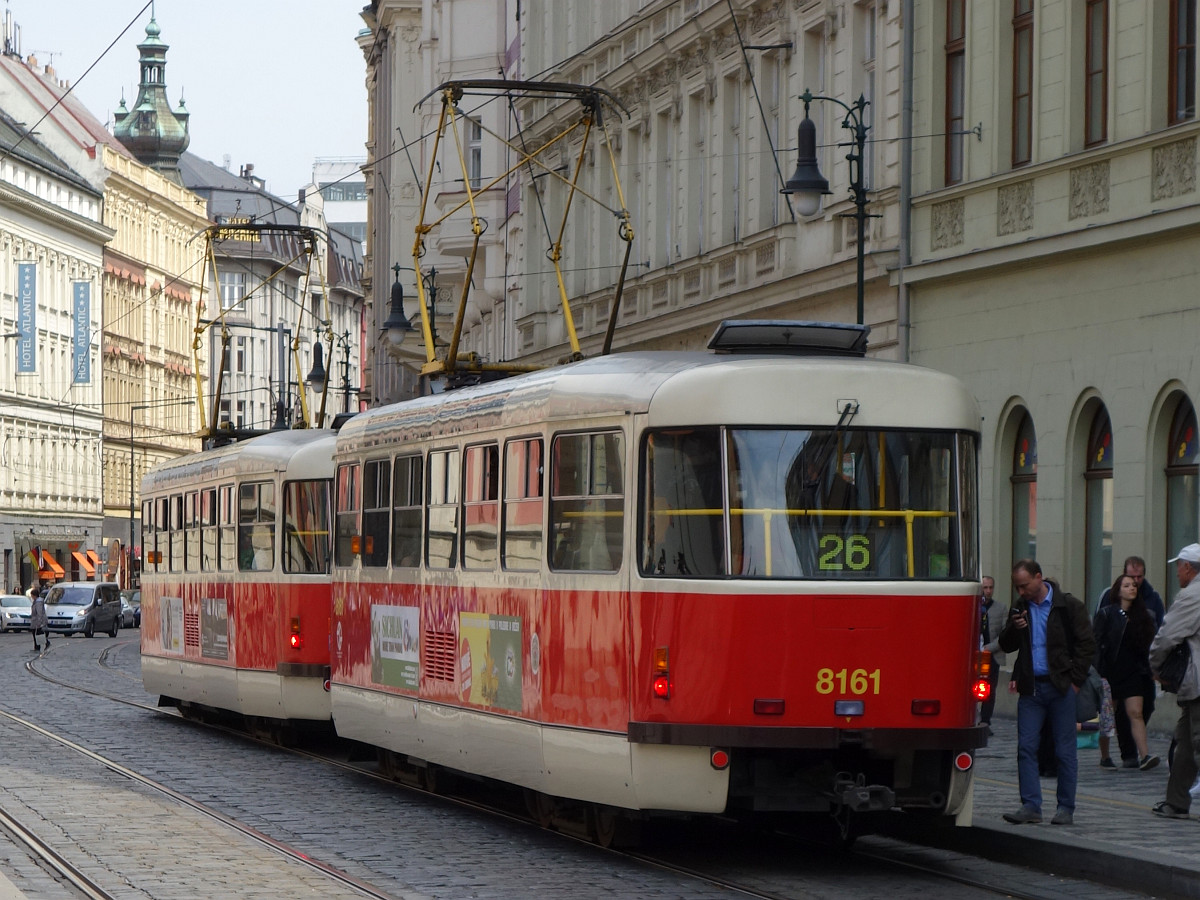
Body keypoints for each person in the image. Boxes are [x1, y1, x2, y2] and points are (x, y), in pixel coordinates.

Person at [999, 559, 1095, 826]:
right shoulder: (1020, 607)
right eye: (1017, 587)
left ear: (1039, 577)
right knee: (1026, 747)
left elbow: (1087, 645)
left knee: (1065, 751)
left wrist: (1075, 681)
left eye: (1025, 585)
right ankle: (1031, 805)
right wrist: (1014, 628)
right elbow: (1006, 645)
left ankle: (1066, 807)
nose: (1021, 591)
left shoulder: (1068, 606)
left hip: (1060, 687)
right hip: (1032, 689)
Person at [1148, 543, 1200, 819]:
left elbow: (1167, 636)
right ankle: (1176, 801)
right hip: (1195, 686)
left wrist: (1155, 665)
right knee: (1185, 744)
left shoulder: (1192, 595)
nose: (1177, 572)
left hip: (1198, 683)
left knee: (1194, 743)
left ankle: (1176, 802)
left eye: (1179, 567)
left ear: (1188, 568)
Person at [1093, 573, 1159, 769]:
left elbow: (1148, 646)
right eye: (1127, 585)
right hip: (1110, 672)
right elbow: (1096, 644)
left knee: (1136, 713)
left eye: (1134, 586)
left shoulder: (1143, 615)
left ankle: (1144, 755)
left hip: (1133, 672)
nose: (1131, 588)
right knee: (1108, 717)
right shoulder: (1106, 614)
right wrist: (1099, 672)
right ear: (1118, 591)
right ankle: (1105, 756)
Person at [1099, 555, 1165, 628]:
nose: (1136, 580)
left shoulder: (1154, 598)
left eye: (1139, 577)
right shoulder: (1109, 595)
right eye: (1132, 577)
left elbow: (1161, 627)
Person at [979, 575, 1006, 734]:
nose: (988, 591)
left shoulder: (1000, 608)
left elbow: (1004, 634)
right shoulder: (973, 605)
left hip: (991, 655)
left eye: (991, 587)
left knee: (989, 689)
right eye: (985, 587)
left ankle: (985, 720)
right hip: (974, 654)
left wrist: (989, 648)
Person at [29, 586, 49, 652]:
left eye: (32, 595)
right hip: (36, 620)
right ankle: (38, 646)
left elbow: (39, 613)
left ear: (34, 595)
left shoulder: (38, 602)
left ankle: (41, 645)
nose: (31, 597)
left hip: (37, 621)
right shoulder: (36, 601)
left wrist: (39, 622)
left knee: (37, 634)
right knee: (37, 633)